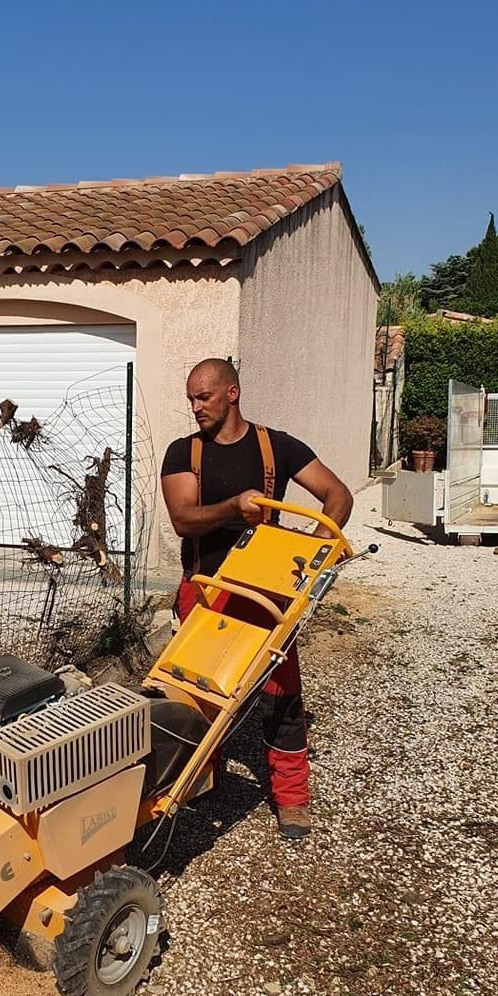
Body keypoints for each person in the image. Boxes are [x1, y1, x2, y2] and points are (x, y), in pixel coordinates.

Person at [160, 358, 353, 840]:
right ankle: (201, 780)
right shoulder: (183, 454)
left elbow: (338, 495)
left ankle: (291, 797)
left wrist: (311, 552)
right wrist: (233, 507)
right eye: (190, 398)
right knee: (197, 691)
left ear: (232, 394)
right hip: (206, 590)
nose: (194, 407)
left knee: (282, 696)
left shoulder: (278, 447)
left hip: (267, 595)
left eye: (202, 397)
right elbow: (183, 519)